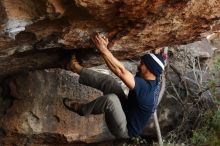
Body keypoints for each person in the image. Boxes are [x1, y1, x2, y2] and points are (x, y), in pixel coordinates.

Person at [63, 33, 165, 138]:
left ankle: (82, 109)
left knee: (111, 100)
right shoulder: (154, 75)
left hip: (124, 129)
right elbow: (159, 61)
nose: (139, 65)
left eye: (142, 64)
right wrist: (158, 49)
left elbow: (120, 71)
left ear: (150, 69)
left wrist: (103, 49)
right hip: (126, 108)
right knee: (109, 81)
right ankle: (75, 67)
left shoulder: (145, 90)